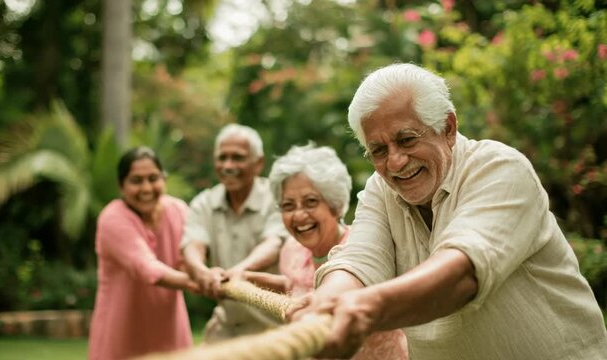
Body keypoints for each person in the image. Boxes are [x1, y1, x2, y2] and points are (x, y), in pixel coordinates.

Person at [288, 63, 607, 359]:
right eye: (379, 150)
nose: (396, 161)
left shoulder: (500, 168)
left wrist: (363, 308)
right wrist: (326, 303)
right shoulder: (380, 188)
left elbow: (461, 275)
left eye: (407, 139)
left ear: (448, 128)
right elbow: (359, 260)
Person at [241, 143, 408, 360]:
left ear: (336, 205)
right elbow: (294, 286)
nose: (299, 216)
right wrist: (245, 278)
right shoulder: (291, 250)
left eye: (310, 202)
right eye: (288, 205)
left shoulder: (366, 247)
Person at [88, 146, 198, 360]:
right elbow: (145, 267)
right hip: (121, 338)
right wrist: (196, 282)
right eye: (136, 181)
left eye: (153, 178)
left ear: (164, 180)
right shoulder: (112, 219)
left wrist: (201, 272)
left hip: (171, 335)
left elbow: (191, 256)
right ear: (122, 186)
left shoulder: (178, 211)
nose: (146, 188)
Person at [182, 123, 288, 342]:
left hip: (275, 329)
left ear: (258, 164)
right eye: (222, 158)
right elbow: (193, 244)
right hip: (227, 327)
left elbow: (274, 244)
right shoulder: (204, 202)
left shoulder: (278, 198)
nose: (228, 165)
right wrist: (202, 271)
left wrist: (239, 271)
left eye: (237, 158)